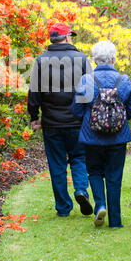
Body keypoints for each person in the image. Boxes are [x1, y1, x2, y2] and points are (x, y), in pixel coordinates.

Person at [71, 40, 131, 228]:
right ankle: (115, 221)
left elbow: (76, 110)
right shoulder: (124, 81)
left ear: (95, 60)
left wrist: (89, 119)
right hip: (118, 138)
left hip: (91, 137)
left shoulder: (87, 80)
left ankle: (100, 205)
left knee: (94, 171)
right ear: (113, 59)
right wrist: (119, 120)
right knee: (114, 176)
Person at [27, 22, 93, 217]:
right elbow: (89, 90)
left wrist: (34, 116)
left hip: (51, 122)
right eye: (70, 35)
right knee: (79, 158)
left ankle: (63, 207)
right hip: (77, 120)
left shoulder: (41, 61)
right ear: (66, 38)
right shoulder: (81, 59)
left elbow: (34, 93)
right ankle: (81, 189)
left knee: (57, 164)